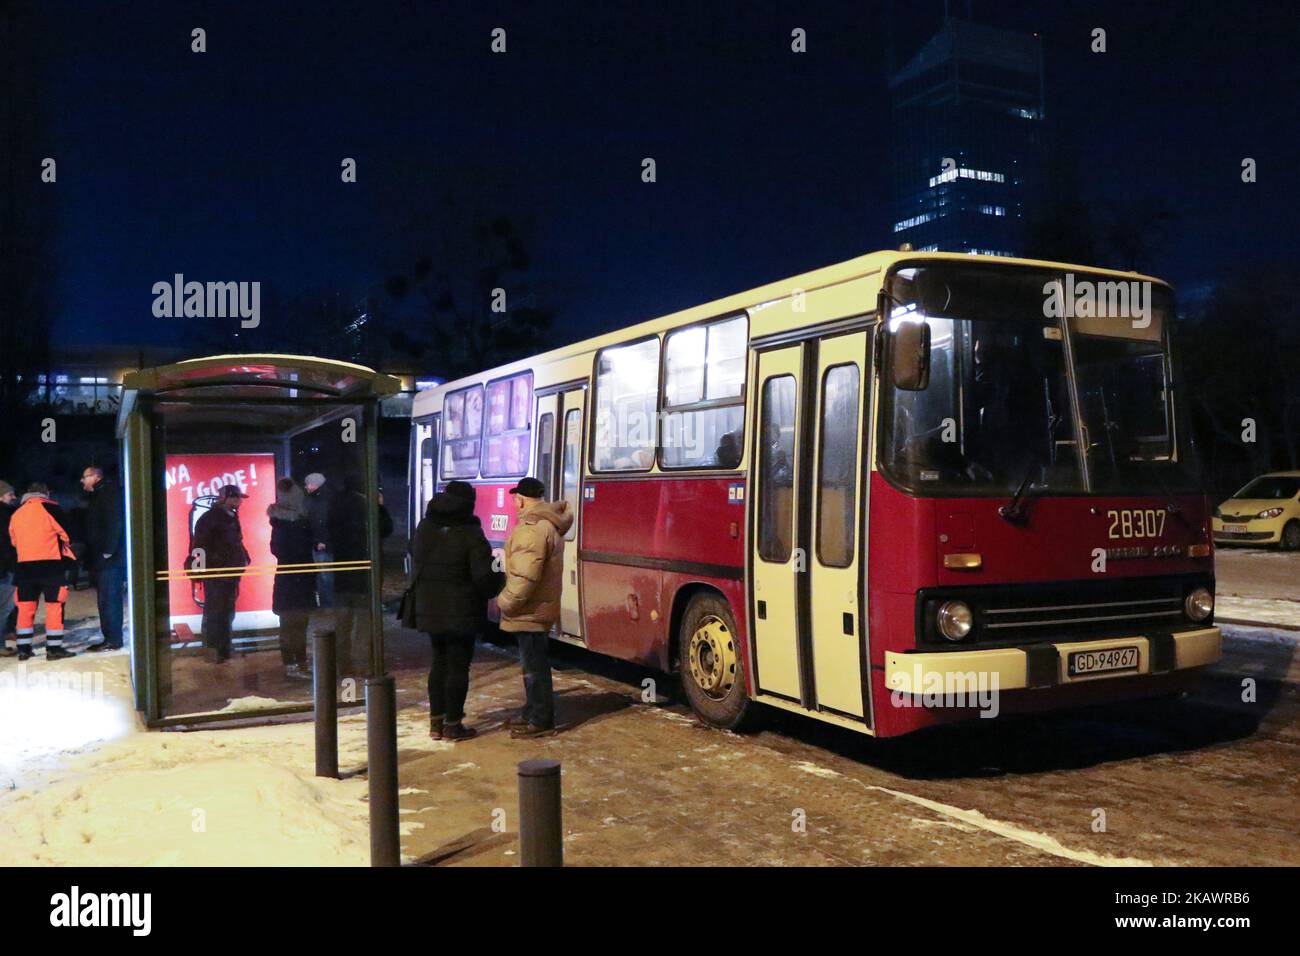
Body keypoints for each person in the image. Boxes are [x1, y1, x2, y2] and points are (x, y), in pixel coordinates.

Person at [409, 480, 503, 741]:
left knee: (438, 662)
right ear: (469, 503)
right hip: (462, 609)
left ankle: (436, 723)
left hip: (429, 607)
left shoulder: (425, 526)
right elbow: (484, 576)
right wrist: (499, 581)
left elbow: (413, 554)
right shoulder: (471, 532)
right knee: (458, 665)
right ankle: (453, 724)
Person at [496, 476, 573, 739]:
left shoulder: (532, 527)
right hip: (539, 607)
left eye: (515, 498)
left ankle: (540, 719)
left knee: (534, 667)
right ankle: (532, 712)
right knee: (533, 664)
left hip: (530, 609)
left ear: (520, 499)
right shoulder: (548, 523)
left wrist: (504, 602)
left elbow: (525, 577)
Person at [327, 481, 393, 676]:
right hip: (364, 579)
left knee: (342, 626)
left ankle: (343, 667)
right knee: (364, 626)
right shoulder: (368, 511)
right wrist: (380, 507)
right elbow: (386, 529)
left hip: (342, 578)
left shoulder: (336, 510)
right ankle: (363, 666)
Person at [8, 483, 78, 661]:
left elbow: (14, 541)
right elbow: (67, 534)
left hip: (24, 568)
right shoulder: (51, 509)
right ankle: (53, 649)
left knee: (25, 608)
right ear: (45, 493)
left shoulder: (16, 514)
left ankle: (23, 648)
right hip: (51, 567)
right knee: (54, 606)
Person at [190, 484, 250, 663]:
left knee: (226, 611)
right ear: (227, 498)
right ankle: (213, 649)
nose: (240, 501)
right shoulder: (211, 519)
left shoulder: (228, 516)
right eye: (237, 497)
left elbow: (234, 542)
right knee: (215, 611)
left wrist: (243, 557)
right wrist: (198, 570)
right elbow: (199, 545)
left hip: (228, 572)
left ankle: (223, 648)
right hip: (217, 572)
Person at [268, 477, 314, 680]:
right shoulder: (291, 524)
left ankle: (297, 662)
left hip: (292, 580)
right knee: (292, 625)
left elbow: (278, 550)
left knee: (295, 624)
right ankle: (294, 663)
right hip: (295, 579)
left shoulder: (286, 523)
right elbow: (284, 550)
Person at [81, 465, 126, 652]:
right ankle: (110, 637)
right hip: (103, 558)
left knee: (109, 599)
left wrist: (108, 550)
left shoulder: (107, 494)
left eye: (85, 477)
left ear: (96, 477)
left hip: (109, 559)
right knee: (105, 599)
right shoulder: (100, 495)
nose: (82, 481)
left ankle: (113, 639)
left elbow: (114, 521)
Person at [303, 473, 335, 608]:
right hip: (323, 542)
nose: (305, 487)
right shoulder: (327, 498)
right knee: (324, 575)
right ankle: (327, 604)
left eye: (307, 484)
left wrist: (321, 540)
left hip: (321, 544)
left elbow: (318, 521)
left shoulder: (316, 500)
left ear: (314, 484)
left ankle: (328, 604)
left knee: (324, 576)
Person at [0, 481, 19, 656]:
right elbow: (8, 545)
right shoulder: (6, 515)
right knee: (4, 607)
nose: (13, 497)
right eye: (9, 494)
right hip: (5, 569)